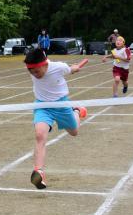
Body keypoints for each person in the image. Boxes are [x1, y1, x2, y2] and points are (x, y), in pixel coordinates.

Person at [25, 48, 88, 189]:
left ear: (45, 64)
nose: (34, 75)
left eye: (36, 71)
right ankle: (39, 172)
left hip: (61, 105)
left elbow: (70, 69)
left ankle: (77, 111)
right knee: (40, 135)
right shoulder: (33, 67)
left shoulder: (58, 67)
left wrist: (75, 68)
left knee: (74, 132)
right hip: (43, 106)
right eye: (31, 72)